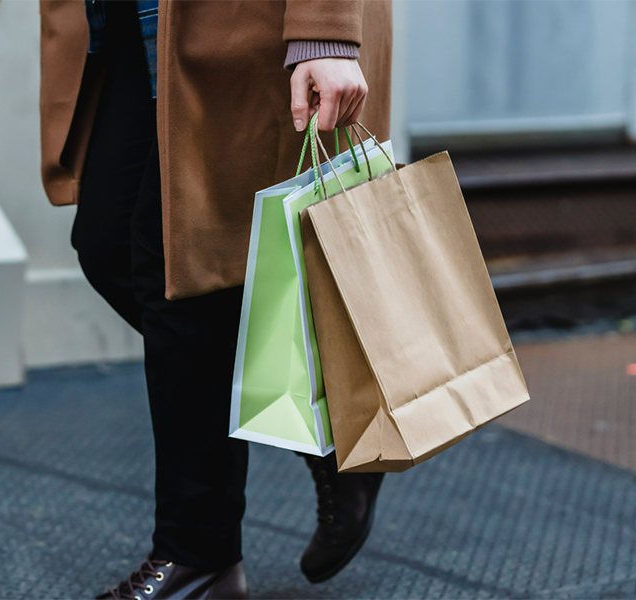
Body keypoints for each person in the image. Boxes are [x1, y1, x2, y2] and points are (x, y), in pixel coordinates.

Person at [38, 1, 393, 598]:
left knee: (177, 270)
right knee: (110, 247)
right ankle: (327, 423)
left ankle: (198, 555)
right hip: (134, 18)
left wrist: (325, 30)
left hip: (242, 23)